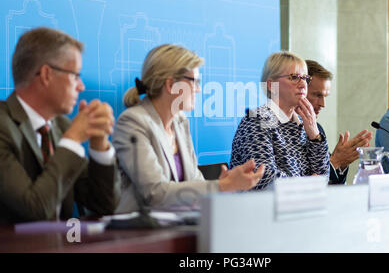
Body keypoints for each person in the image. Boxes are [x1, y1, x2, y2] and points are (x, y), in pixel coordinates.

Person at [112, 44, 265, 213]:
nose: (199, 89)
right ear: (171, 85)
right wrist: (221, 186)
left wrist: (223, 186)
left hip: (178, 225)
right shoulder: (133, 122)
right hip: (139, 231)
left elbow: (195, 182)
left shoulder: (180, 121)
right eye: (194, 81)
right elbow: (154, 194)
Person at [0, 27, 121, 224]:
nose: (81, 87)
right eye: (75, 75)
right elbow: (34, 209)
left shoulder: (61, 126)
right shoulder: (3, 125)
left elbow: (104, 204)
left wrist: (99, 143)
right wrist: (72, 141)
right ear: (47, 74)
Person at [229, 51, 329, 190]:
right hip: (258, 208)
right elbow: (264, 178)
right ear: (271, 85)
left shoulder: (304, 122)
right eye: (294, 77)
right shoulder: (257, 120)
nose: (302, 84)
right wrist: (307, 184)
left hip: (300, 206)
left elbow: (323, 176)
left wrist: (315, 137)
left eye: (305, 78)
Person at [305, 60, 372, 184]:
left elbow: (332, 187)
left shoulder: (317, 128)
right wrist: (335, 162)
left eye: (325, 96)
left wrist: (341, 165)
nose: (322, 104)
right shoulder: (278, 127)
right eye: (317, 95)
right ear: (301, 91)